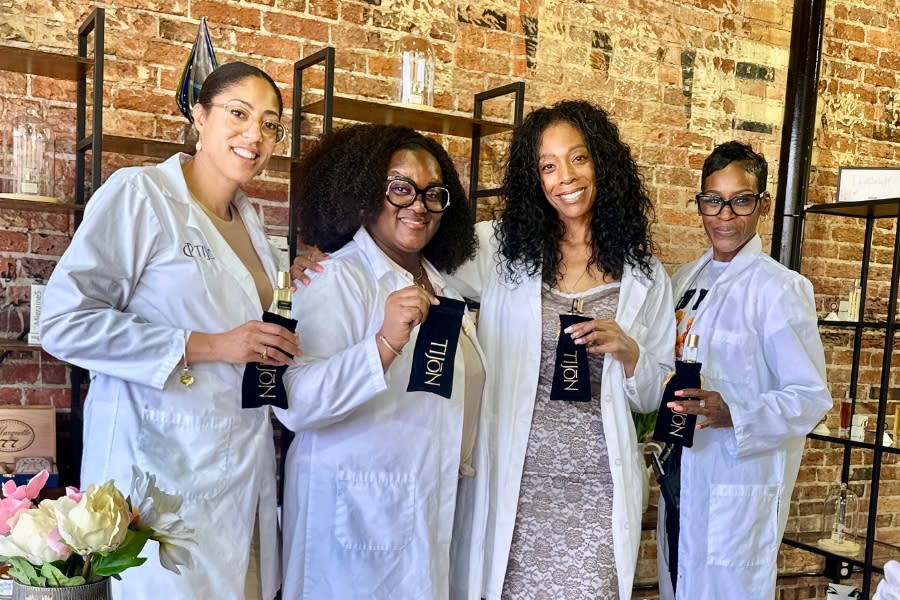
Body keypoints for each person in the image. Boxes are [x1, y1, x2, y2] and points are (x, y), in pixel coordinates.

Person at [293, 100, 675, 599]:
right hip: (511, 479)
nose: (565, 177)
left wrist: (630, 354)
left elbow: (652, 394)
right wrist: (325, 252)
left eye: (578, 158)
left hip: (599, 483)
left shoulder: (646, 275)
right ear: (534, 178)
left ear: (603, 163)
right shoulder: (500, 249)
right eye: (548, 165)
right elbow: (412, 245)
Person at [39, 62, 299, 600]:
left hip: (238, 466)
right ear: (199, 116)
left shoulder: (251, 222)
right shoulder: (142, 194)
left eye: (270, 124)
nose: (255, 134)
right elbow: (64, 322)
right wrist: (212, 346)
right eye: (238, 113)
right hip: (157, 469)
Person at [275, 123, 491, 599]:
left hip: (426, 512)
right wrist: (383, 344)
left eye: (432, 194)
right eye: (400, 188)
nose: (418, 205)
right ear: (364, 192)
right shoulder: (334, 278)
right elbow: (294, 402)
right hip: (352, 520)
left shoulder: (445, 288)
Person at [657, 141, 831, 599]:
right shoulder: (684, 280)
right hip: (681, 469)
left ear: (763, 205)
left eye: (741, 201)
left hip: (735, 483)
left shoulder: (780, 289)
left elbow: (810, 397)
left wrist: (734, 412)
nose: (725, 215)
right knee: (678, 580)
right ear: (699, 203)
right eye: (713, 200)